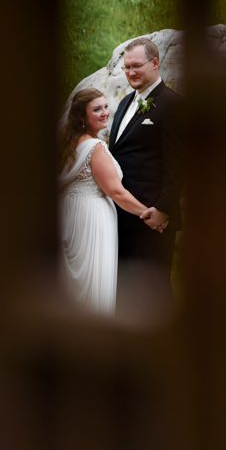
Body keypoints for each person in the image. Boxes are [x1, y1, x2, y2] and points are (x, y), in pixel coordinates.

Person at [57, 88, 157, 315]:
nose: (104, 112)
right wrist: (149, 215)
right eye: (97, 109)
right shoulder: (95, 147)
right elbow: (116, 192)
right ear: (82, 116)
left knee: (74, 284)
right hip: (91, 219)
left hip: (71, 215)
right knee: (92, 286)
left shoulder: (69, 143)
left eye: (105, 106)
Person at [108, 37, 184, 315]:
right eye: (126, 67)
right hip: (123, 215)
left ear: (155, 63)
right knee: (126, 291)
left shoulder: (173, 104)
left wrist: (163, 209)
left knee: (155, 293)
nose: (130, 73)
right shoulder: (127, 102)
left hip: (152, 220)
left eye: (136, 66)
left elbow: (178, 163)